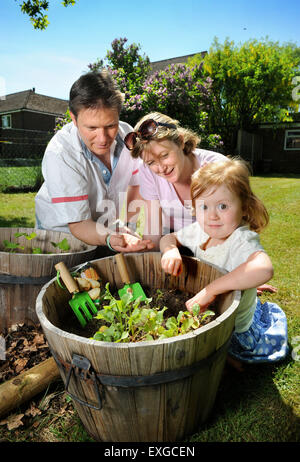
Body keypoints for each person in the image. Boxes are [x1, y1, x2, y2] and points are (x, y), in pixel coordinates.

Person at [160, 158, 288, 369]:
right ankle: (248, 286)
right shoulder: (200, 230)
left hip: (233, 328)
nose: (212, 215)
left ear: (245, 207)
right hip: (213, 310)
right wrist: (170, 250)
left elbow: (264, 268)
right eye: (203, 206)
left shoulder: (241, 239)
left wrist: (211, 290)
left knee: (208, 355)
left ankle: (234, 358)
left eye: (223, 206)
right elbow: (168, 238)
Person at [35, 70, 154, 254]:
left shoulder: (127, 136)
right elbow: (79, 224)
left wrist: (127, 226)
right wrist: (110, 238)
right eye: (92, 128)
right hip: (62, 238)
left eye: (110, 125)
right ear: (73, 118)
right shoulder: (61, 154)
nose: (103, 138)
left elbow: (136, 184)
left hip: (104, 229)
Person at [125, 112, 227, 248]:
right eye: (151, 162)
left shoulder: (217, 167)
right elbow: (153, 229)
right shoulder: (146, 170)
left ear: (180, 141)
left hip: (215, 242)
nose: (161, 168)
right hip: (173, 242)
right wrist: (149, 259)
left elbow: (229, 226)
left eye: (164, 155)